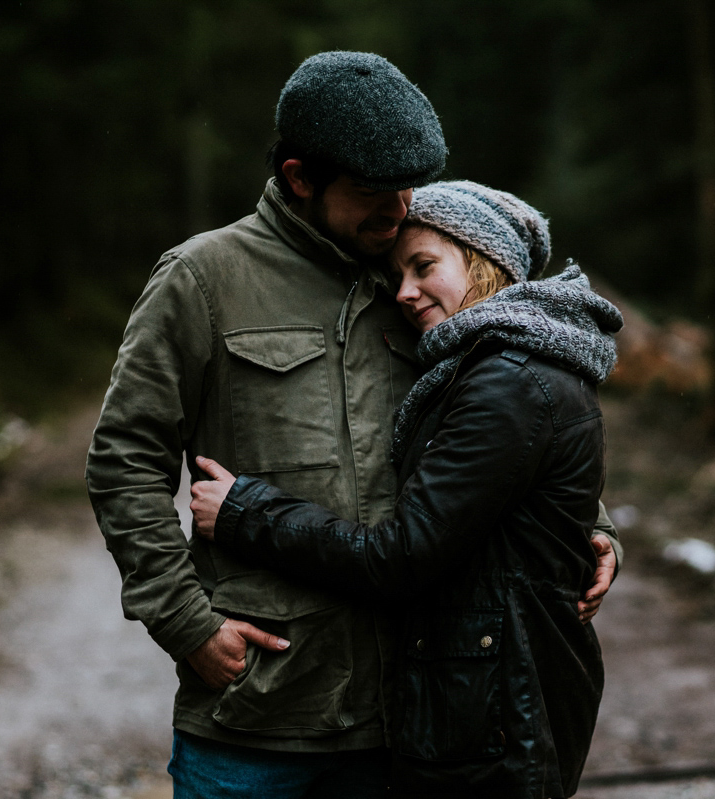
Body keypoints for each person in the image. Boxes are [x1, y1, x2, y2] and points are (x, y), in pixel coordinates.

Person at [84, 52, 622, 798]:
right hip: (258, 712)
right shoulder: (204, 278)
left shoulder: (423, 277)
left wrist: (590, 527)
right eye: (373, 192)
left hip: (413, 718)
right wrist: (187, 624)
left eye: (407, 187)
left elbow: (513, 411)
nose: (399, 209)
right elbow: (123, 460)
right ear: (301, 177)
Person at [188, 181, 624, 798]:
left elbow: (402, 555)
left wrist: (245, 511)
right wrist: (595, 531)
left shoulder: (505, 381)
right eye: (397, 273)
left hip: (495, 714)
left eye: (424, 267)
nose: (405, 292)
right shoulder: (489, 361)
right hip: (490, 704)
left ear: (487, 261)